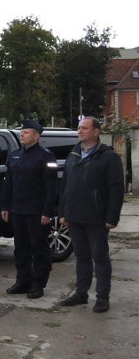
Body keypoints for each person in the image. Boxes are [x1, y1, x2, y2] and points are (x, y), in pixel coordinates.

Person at [58, 117, 124, 313]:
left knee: (100, 257)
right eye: (79, 128)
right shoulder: (73, 154)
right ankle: (81, 293)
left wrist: (112, 217)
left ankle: (102, 297)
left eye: (84, 128)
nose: (80, 131)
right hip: (75, 216)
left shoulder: (108, 157)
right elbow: (64, 187)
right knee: (81, 255)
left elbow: (116, 188)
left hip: (97, 217)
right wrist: (63, 212)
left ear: (96, 132)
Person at [0, 119, 58, 299]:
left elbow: (51, 186)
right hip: (18, 209)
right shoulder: (16, 155)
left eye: (26, 132)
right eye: (21, 131)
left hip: (36, 211)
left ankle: (38, 284)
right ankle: (22, 281)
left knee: (39, 248)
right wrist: (5, 205)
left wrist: (47, 211)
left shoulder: (45, 156)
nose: (22, 134)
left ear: (36, 136)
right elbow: (8, 183)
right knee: (21, 248)